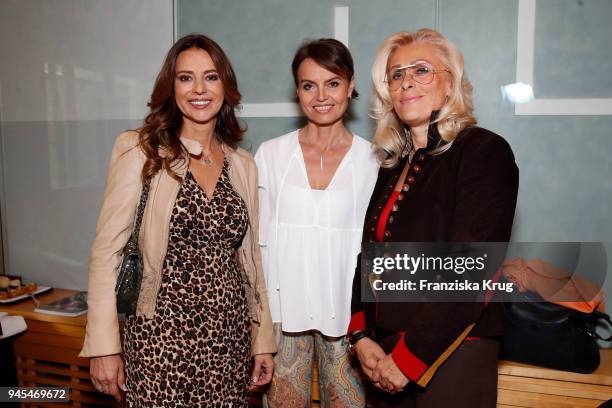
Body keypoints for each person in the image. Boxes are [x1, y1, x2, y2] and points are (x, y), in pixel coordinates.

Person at [79, 34, 276, 407]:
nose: (199, 89)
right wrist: (104, 346)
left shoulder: (243, 165)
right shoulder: (140, 151)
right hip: (160, 339)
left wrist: (262, 341)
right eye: (186, 77)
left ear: (226, 86)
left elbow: (252, 262)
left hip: (228, 339)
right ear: (171, 87)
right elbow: (107, 253)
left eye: (211, 77)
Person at [346, 29, 519, 407]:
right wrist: (361, 337)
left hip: (452, 352)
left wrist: (409, 359)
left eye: (421, 69)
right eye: (396, 74)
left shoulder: (483, 150)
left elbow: (470, 268)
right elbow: (369, 258)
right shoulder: (393, 165)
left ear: (450, 83)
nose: (406, 81)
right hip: (384, 354)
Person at [255, 38, 379, 407]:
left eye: (333, 83)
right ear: (298, 91)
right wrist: (257, 325)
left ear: (351, 85)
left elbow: (377, 248)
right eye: (309, 85)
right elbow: (255, 245)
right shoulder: (271, 154)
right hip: (280, 316)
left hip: (348, 319)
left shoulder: (375, 160)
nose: (321, 95)